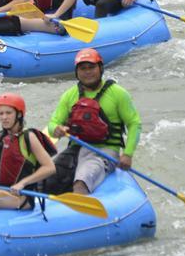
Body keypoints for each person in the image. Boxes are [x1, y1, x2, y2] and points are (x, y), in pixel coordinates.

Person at [46, 48, 141, 195]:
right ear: (77, 72)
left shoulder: (118, 94)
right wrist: (57, 129)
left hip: (105, 151)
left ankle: (78, 213)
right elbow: (53, 124)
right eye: (83, 68)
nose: (87, 72)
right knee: (46, 179)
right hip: (76, 150)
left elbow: (134, 123)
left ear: (100, 68)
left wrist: (127, 154)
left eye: (91, 67)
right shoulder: (69, 95)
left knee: (80, 183)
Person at [0, 93, 57, 210]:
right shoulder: (0, 138)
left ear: (19, 114)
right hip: (0, 192)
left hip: (21, 198)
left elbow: (50, 167)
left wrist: (23, 183)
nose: (4, 117)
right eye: (1, 113)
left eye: (8, 113)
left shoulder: (28, 137)